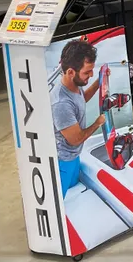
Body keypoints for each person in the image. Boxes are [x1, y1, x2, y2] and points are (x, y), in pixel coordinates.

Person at [51, 39, 106, 197]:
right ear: (70, 72)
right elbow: (75, 139)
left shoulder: (75, 85)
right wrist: (97, 123)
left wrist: (98, 82)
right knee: (59, 199)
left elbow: (81, 100)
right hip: (63, 160)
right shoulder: (61, 103)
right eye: (87, 72)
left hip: (74, 156)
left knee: (74, 187)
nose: (91, 74)